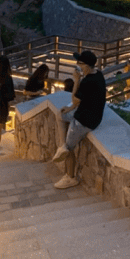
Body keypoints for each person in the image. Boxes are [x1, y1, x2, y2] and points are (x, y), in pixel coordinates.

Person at [52, 51, 106, 189]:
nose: (77, 66)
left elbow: (74, 99)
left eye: (79, 63)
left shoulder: (87, 81)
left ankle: (70, 177)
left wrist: (77, 80)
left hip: (84, 120)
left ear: (86, 66)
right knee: (61, 114)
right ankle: (62, 144)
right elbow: (80, 102)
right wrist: (69, 109)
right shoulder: (98, 75)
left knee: (68, 150)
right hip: (94, 116)